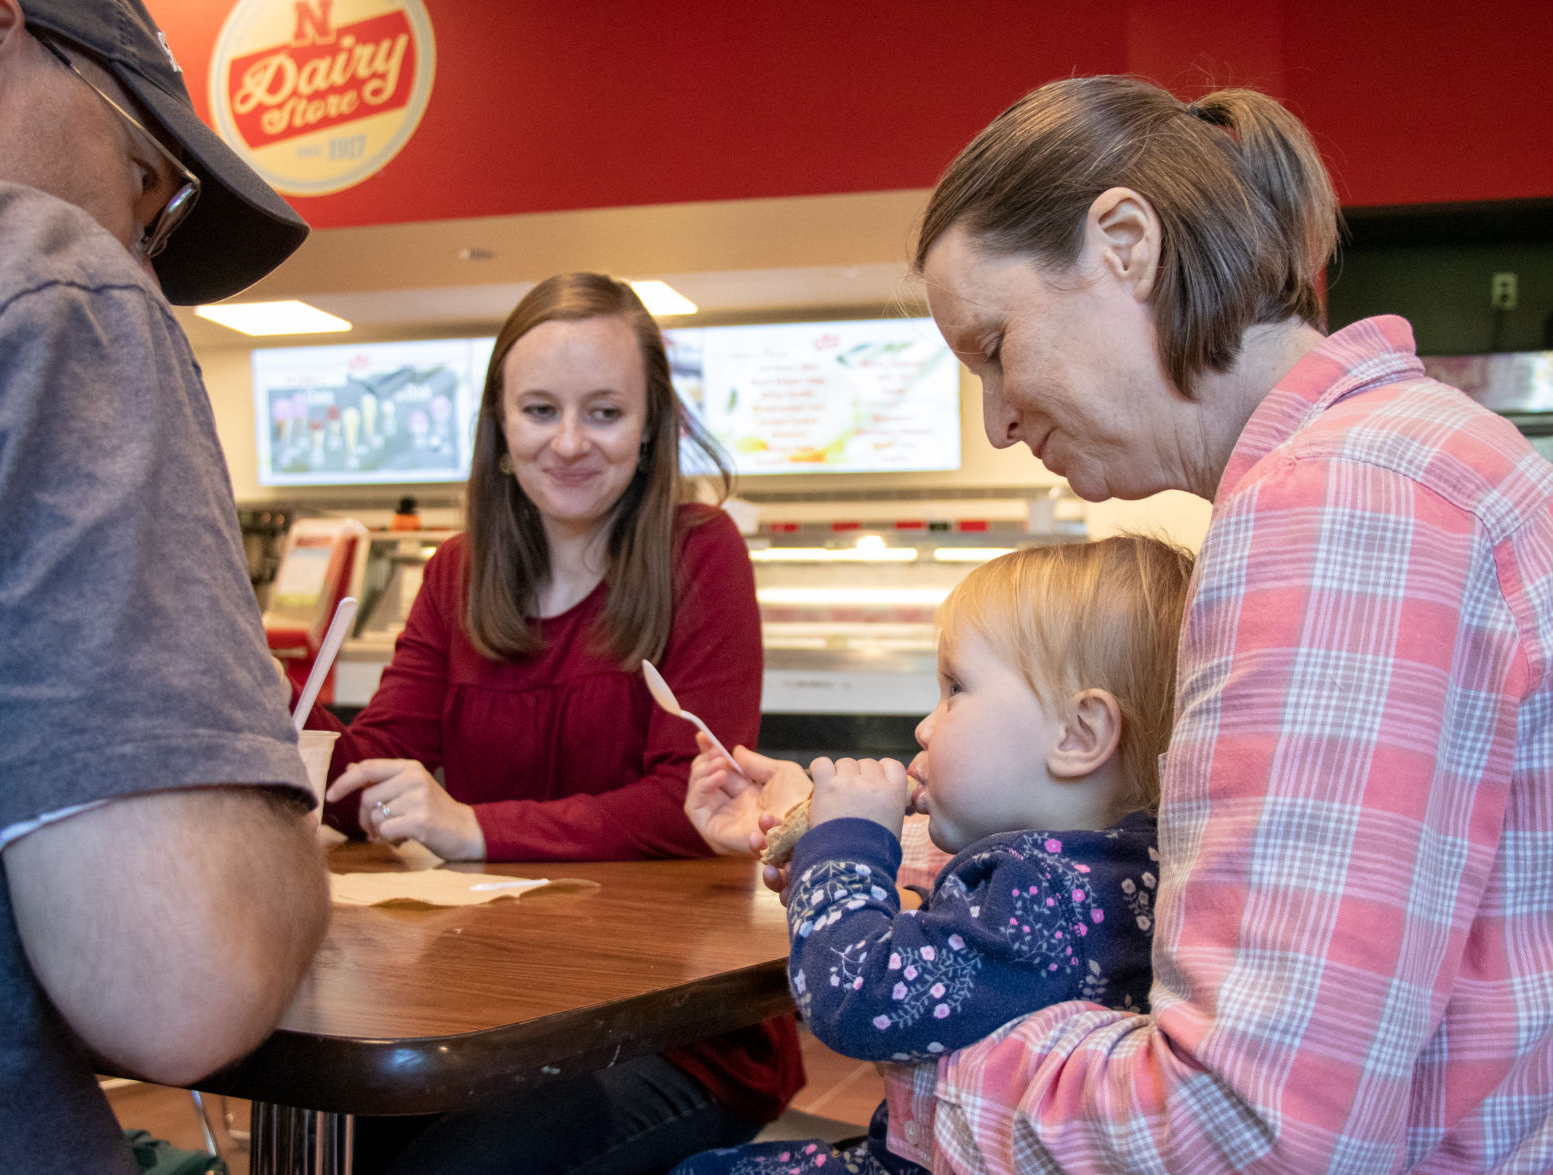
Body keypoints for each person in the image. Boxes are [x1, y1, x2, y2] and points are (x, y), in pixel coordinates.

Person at [686, 75, 1553, 1173]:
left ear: (1125, 243)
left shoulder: (1337, 507)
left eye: (994, 346)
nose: (996, 420)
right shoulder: (1416, 456)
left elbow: (1241, 1133)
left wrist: (921, 1034)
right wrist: (849, 825)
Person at [0, 1, 330, 1171]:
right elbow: (183, 974)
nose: (142, 255)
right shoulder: (16, 273)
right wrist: (278, 836)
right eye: (148, 186)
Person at [305, 272, 805, 1173]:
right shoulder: (457, 571)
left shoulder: (699, 552)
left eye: (604, 413)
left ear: (650, 426)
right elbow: (375, 758)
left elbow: (679, 805)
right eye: (539, 410)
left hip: (672, 1027)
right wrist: (280, 751)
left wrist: (468, 826)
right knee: (346, 1141)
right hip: (488, 1006)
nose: (568, 442)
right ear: (499, 426)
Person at [675, 536, 1191, 1175]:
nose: (925, 726)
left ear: (1077, 734)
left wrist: (842, 855)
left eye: (955, 688)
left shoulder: (1041, 893)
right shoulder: (1116, 869)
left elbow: (856, 998)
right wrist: (811, 821)